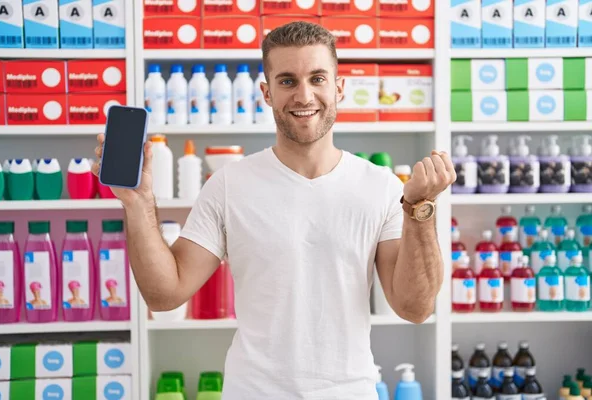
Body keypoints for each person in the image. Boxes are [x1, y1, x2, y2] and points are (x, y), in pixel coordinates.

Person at [92, 21, 455, 400]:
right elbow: (165, 295)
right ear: (266, 92)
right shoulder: (229, 185)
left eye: (317, 78)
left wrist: (418, 208)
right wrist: (138, 202)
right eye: (287, 81)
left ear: (339, 88)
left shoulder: (379, 186)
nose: (304, 95)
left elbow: (415, 308)